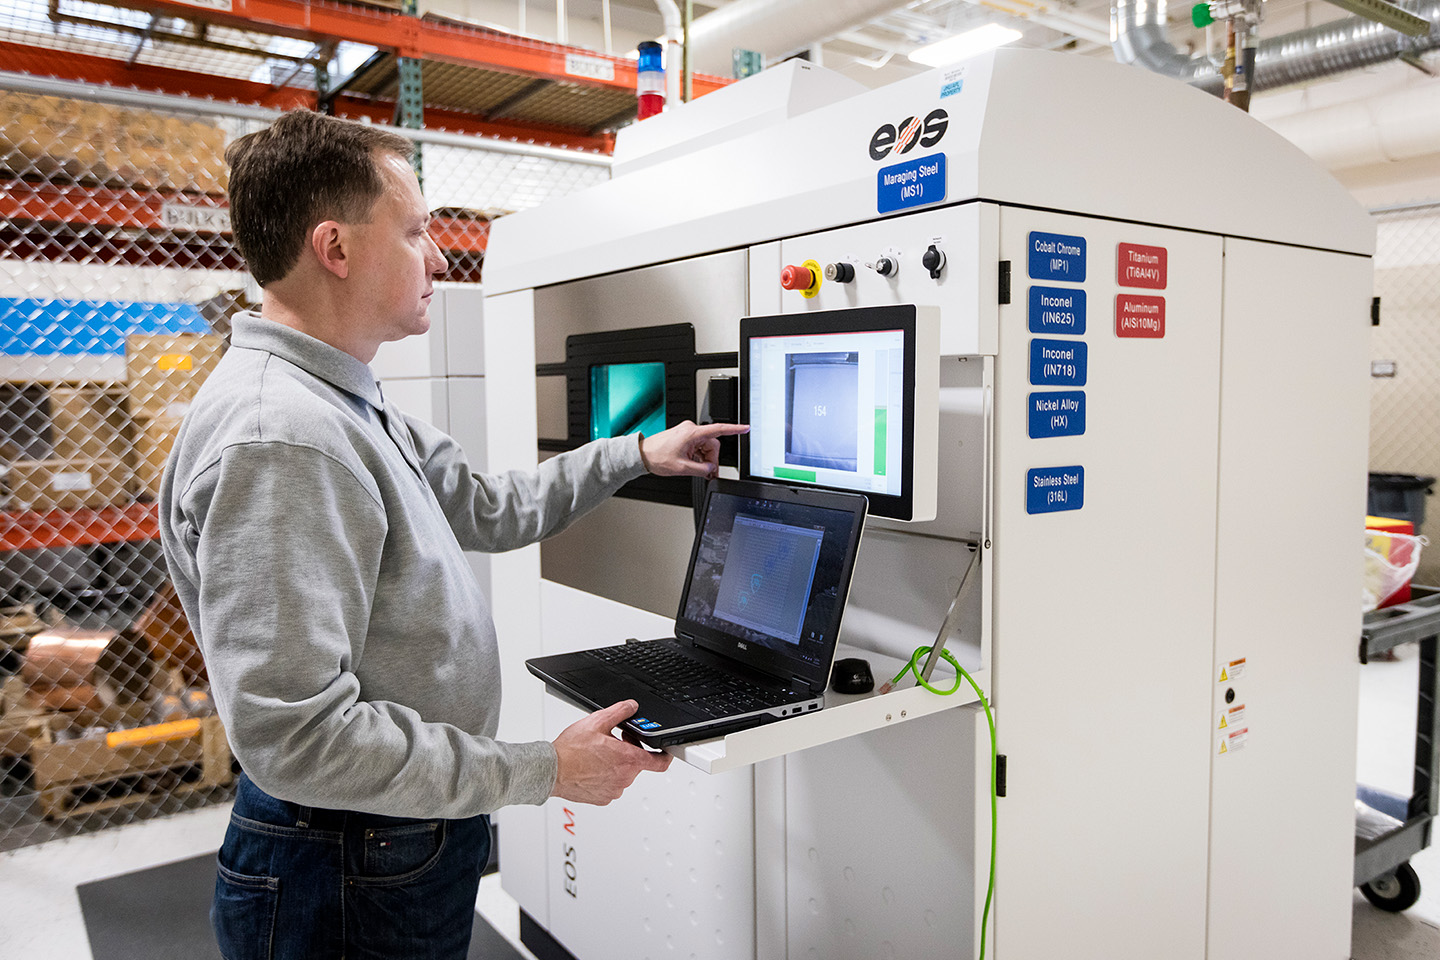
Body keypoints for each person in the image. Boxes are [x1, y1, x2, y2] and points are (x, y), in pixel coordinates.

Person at [158, 109, 747, 960]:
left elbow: (483, 504)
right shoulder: (280, 438)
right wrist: (541, 770)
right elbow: (297, 736)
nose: (439, 257)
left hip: (393, 837)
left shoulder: (343, 399)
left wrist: (639, 452)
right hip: (347, 860)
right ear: (336, 249)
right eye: (416, 231)